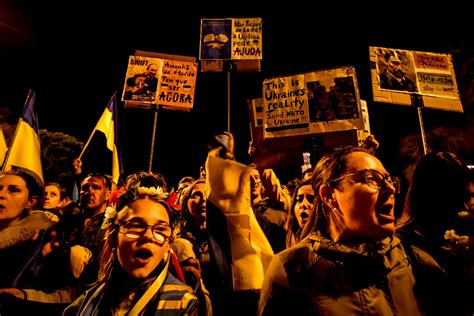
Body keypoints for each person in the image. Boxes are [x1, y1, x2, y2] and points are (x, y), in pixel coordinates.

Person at [258, 146, 454, 315]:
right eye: (372, 179)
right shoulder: (292, 270)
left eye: (389, 180)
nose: (390, 189)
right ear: (329, 196)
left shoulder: (418, 264)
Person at [63, 171, 198, 315]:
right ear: (113, 237)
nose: (147, 236)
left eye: (160, 229)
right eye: (135, 226)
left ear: (169, 243)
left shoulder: (183, 304)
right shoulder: (83, 305)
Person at [397, 151, 474, 315]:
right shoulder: (403, 250)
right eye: (462, 197)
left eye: (470, 197)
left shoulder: (461, 237)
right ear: (435, 198)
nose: (467, 207)